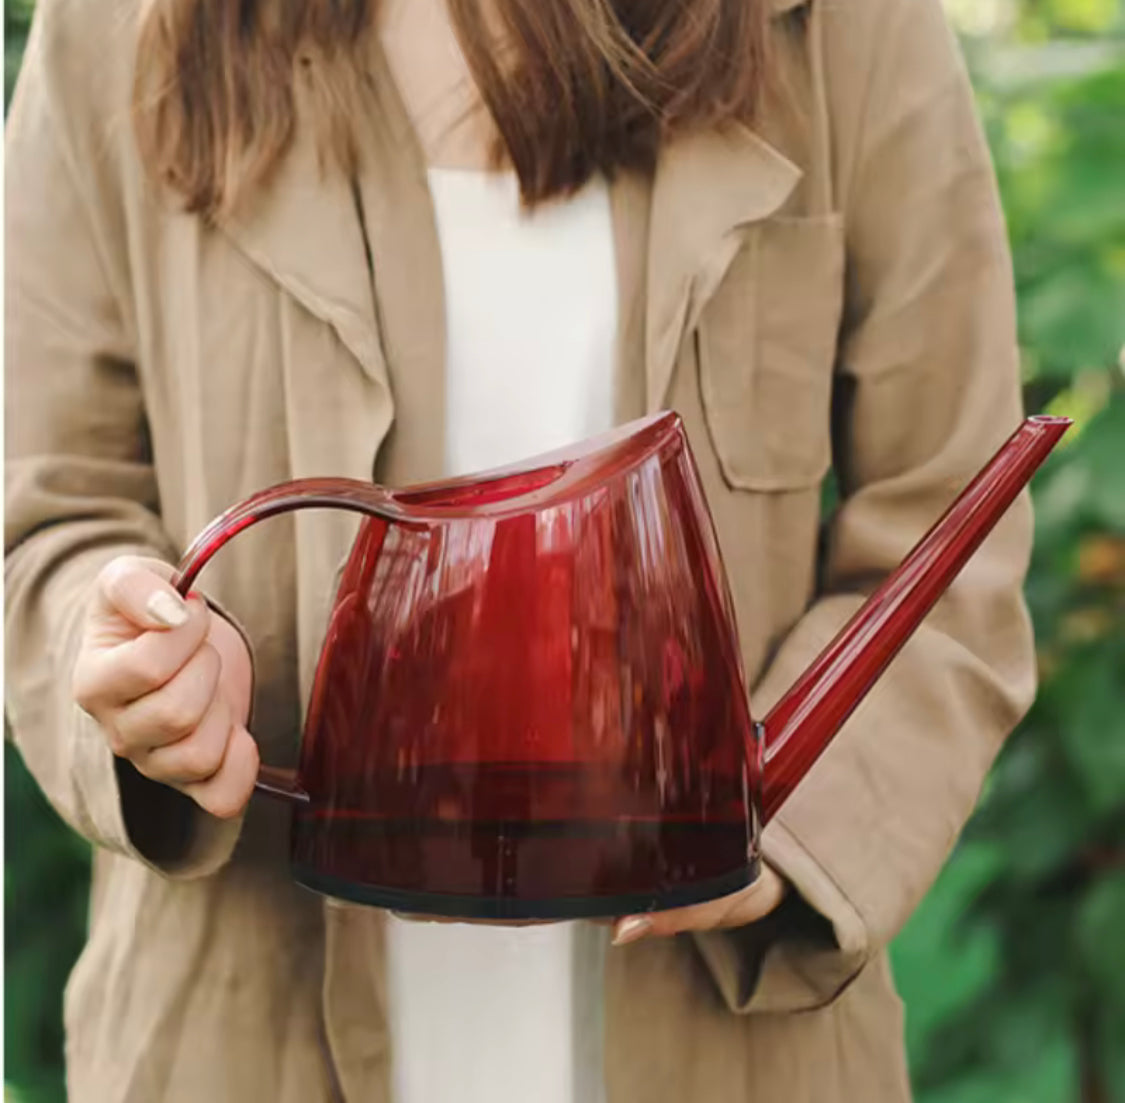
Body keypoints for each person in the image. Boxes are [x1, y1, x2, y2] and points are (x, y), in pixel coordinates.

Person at [4, 0, 1037, 1098]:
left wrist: (788, 832)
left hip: (731, 1046)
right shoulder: (124, 27)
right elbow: (44, 509)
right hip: (231, 1042)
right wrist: (139, 663)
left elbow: (949, 523)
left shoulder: (839, 28)